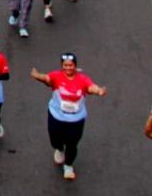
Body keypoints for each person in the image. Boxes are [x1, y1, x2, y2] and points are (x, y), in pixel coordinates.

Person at [29, 52, 108, 181]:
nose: (68, 68)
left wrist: (99, 90)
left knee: (72, 144)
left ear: (75, 66)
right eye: (65, 65)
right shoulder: (56, 76)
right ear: (62, 66)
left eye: (71, 65)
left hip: (75, 120)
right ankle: (59, 149)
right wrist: (37, 76)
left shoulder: (82, 79)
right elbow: (47, 79)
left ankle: (68, 165)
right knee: (54, 139)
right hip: (56, 116)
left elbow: (91, 87)